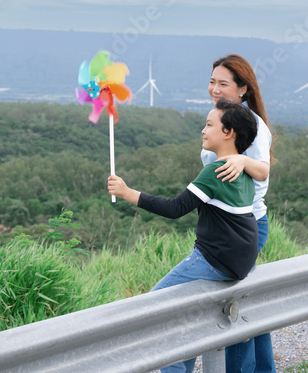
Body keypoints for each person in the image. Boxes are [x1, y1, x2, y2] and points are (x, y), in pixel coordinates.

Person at [108, 99, 260, 373]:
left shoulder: (215, 171)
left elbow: (175, 208)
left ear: (229, 132)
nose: (203, 130)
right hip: (240, 264)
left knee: (153, 311)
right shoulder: (243, 169)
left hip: (214, 260)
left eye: (209, 124)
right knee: (182, 326)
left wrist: (127, 192)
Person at [205, 53, 276, 373]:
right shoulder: (222, 120)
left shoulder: (252, 126)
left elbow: (262, 172)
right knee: (243, 299)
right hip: (229, 226)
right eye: (212, 82)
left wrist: (243, 162)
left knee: (231, 304)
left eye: (223, 84)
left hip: (245, 225)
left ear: (243, 89)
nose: (215, 89)